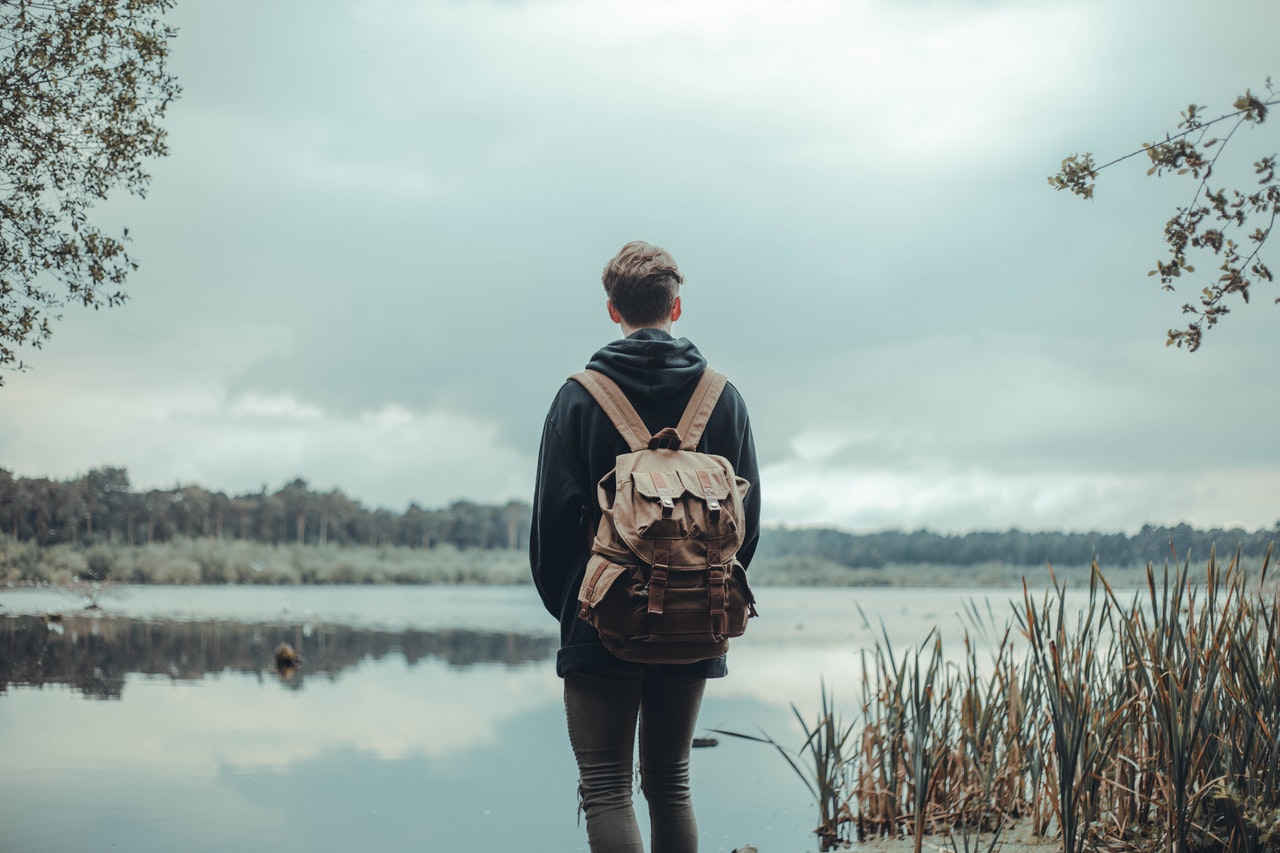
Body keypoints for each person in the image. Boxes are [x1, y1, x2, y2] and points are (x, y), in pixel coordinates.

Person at [530, 241, 761, 853]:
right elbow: (748, 523)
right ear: (676, 308)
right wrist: (701, 586)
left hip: (598, 614)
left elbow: (552, 527)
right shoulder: (724, 396)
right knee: (671, 782)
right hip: (698, 610)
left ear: (613, 310)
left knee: (606, 786)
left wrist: (579, 610)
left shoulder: (579, 395)